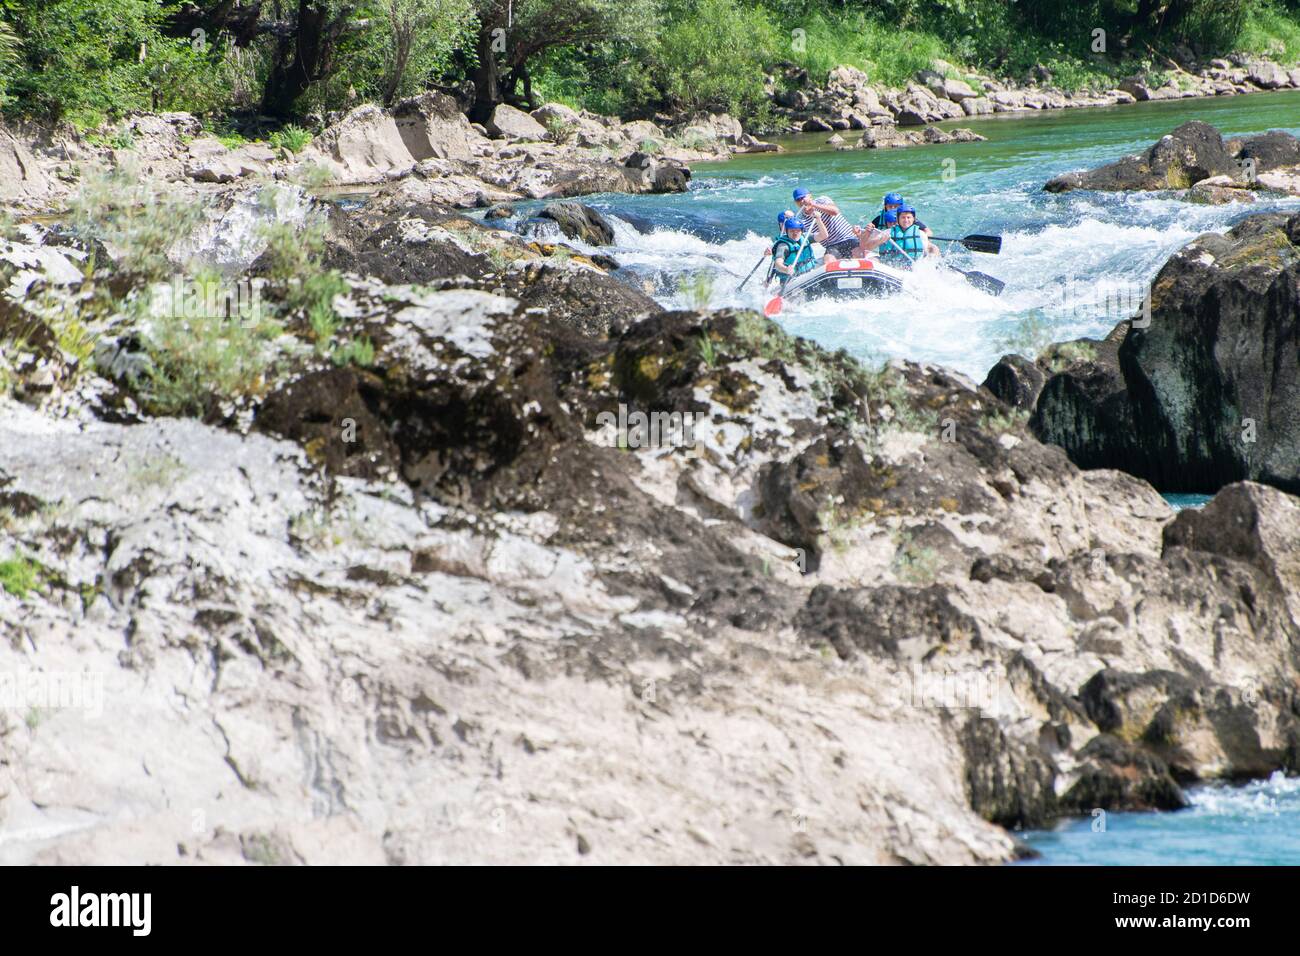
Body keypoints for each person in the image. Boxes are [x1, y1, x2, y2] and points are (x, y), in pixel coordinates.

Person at [792, 188, 858, 262]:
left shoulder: (822, 200)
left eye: (803, 198)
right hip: (832, 246)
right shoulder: (801, 219)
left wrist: (813, 205)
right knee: (828, 260)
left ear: (810, 196)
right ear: (795, 202)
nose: (801, 201)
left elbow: (835, 211)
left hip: (849, 238)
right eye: (798, 200)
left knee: (859, 255)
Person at [770, 210, 822, 284]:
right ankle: (768, 281)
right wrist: (786, 269)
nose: (795, 233)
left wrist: (819, 220)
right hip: (791, 279)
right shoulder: (783, 245)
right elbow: (777, 264)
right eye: (791, 231)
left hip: (807, 272)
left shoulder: (804, 237)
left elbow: (823, 236)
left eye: (797, 231)